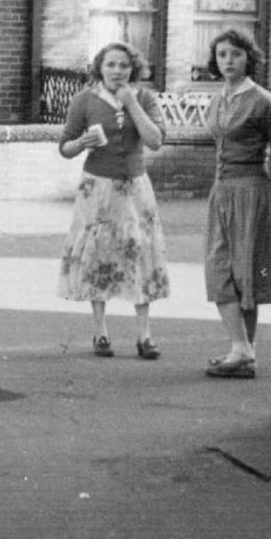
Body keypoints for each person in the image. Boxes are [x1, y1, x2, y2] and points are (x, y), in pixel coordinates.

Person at [56, 42, 170, 360]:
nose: (117, 71)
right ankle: (101, 332)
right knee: (98, 253)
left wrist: (131, 102)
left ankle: (145, 335)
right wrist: (80, 143)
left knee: (139, 253)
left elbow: (156, 140)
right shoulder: (84, 101)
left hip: (135, 188)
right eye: (111, 65)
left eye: (123, 65)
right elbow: (64, 147)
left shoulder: (144, 98)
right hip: (98, 188)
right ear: (100, 68)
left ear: (133, 69)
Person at [200, 29, 271, 379]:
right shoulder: (217, 100)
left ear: (248, 58)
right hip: (221, 192)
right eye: (222, 55)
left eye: (235, 55)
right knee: (219, 269)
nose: (228, 61)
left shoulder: (263, 101)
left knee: (249, 271)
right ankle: (243, 350)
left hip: (253, 193)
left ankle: (242, 352)